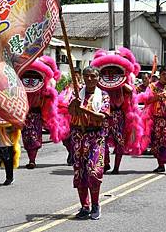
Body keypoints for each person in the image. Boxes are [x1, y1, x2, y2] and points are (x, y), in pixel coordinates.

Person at [68, 66, 110, 221]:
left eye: (93, 76)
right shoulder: (77, 93)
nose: (90, 79)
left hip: (95, 137)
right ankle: (84, 206)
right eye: (87, 76)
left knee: (94, 171)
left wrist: (84, 110)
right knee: (80, 172)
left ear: (98, 78)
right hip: (78, 136)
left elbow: (102, 117)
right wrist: (75, 103)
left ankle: (96, 205)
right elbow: (71, 111)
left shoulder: (104, 95)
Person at [20, 56, 66, 169]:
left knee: (34, 138)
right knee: (27, 138)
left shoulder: (46, 89)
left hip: (37, 116)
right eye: (28, 76)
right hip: (24, 115)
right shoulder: (21, 87)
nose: (31, 78)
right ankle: (31, 158)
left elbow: (49, 103)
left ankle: (32, 160)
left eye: (34, 76)